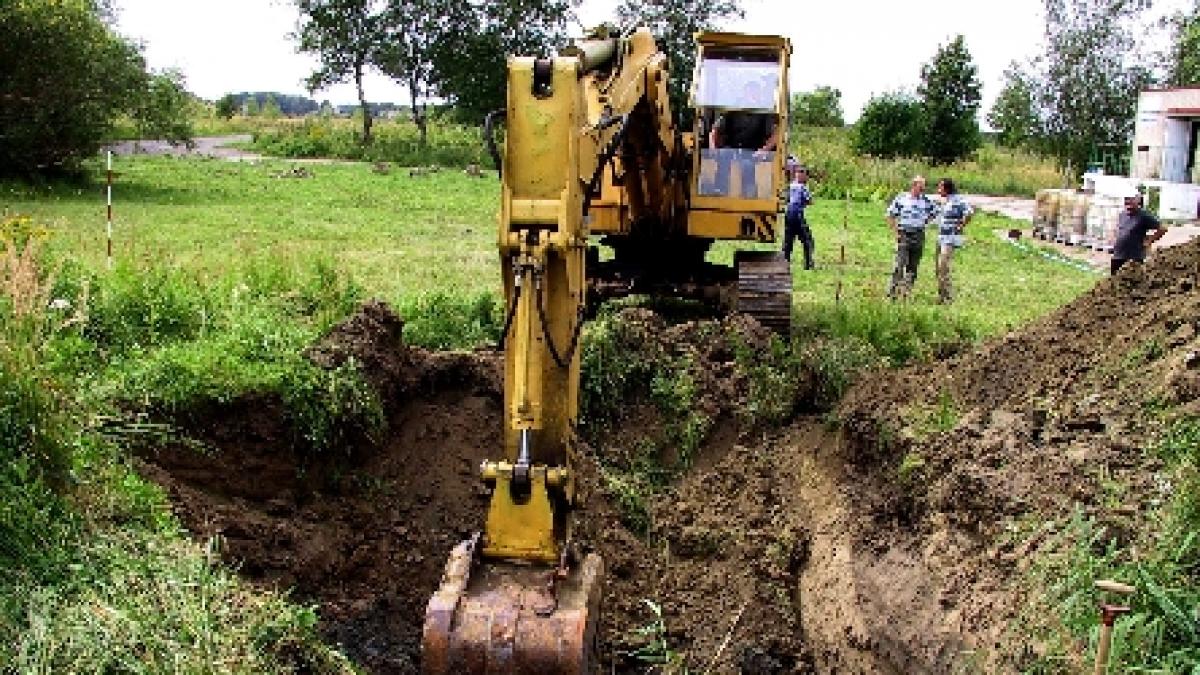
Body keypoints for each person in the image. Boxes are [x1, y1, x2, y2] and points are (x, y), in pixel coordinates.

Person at [706, 80, 778, 198]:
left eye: (754, 93)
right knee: (724, 155)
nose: (751, 96)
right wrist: (712, 148)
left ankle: (750, 196)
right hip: (732, 149)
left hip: (752, 152)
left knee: (747, 165)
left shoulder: (765, 113)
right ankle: (719, 190)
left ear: (758, 95)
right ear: (744, 94)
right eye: (749, 93)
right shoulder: (733, 111)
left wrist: (764, 150)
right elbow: (714, 131)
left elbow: (775, 135)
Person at [885, 175, 939, 299]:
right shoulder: (902, 198)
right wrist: (896, 231)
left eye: (923, 187)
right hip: (904, 233)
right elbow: (889, 214)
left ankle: (906, 292)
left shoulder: (926, 200)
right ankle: (892, 292)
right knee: (899, 264)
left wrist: (925, 221)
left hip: (918, 234)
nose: (922, 190)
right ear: (914, 186)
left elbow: (935, 211)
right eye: (921, 187)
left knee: (913, 265)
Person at [933, 177, 973, 304]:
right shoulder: (946, 200)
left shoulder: (958, 200)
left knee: (943, 265)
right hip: (941, 237)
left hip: (950, 238)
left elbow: (969, 212)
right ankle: (941, 295)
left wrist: (961, 226)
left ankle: (948, 297)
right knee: (938, 267)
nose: (938, 190)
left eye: (940, 187)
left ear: (947, 189)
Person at [1111, 191, 1166, 274]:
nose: (1128, 202)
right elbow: (1119, 230)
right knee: (1113, 282)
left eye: (1131, 199)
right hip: (1118, 256)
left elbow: (1162, 229)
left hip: (1133, 258)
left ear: (1138, 201)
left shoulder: (1144, 216)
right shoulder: (1122, 214)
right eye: (1126, 199)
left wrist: (1149, 240)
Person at [781, 160, 814, 269]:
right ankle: (808, 264)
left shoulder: (790, 186)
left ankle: (784, 263)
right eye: (806, 175)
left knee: (788, 241)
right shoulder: (802, 187)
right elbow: (810, 201)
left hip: (788, 214)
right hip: (797, 214)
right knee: (807, 239)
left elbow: (785, 200)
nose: (807, 178)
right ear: (802, 175)